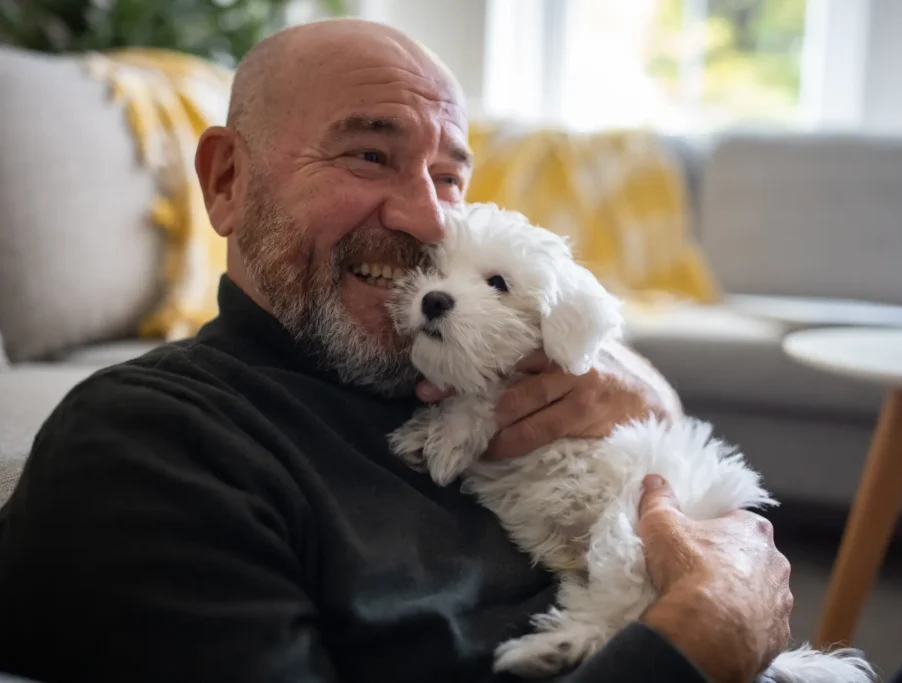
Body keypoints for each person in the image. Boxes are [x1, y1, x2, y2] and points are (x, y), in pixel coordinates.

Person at [0, 18, 788, 683]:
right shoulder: (149, 445)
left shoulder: (487, 379)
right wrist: (700, 635)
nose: (430, 218)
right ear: (227, 181)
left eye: (449, 176)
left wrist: (647, 391)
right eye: (371, 155)